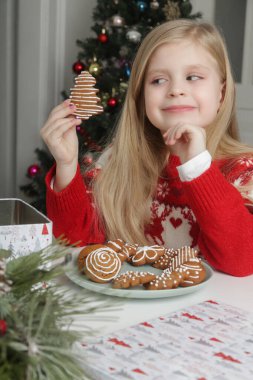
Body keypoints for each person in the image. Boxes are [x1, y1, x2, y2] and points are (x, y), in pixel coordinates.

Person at [41, 19, 253, 277]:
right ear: (142, 97)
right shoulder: (116, 163)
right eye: (158, 80)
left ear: (221, 93)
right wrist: (66, 165)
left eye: (193, 77)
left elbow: (242, 262)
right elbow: (74, 242)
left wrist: (198, 168)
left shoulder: (243, 171)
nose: (176, 89)